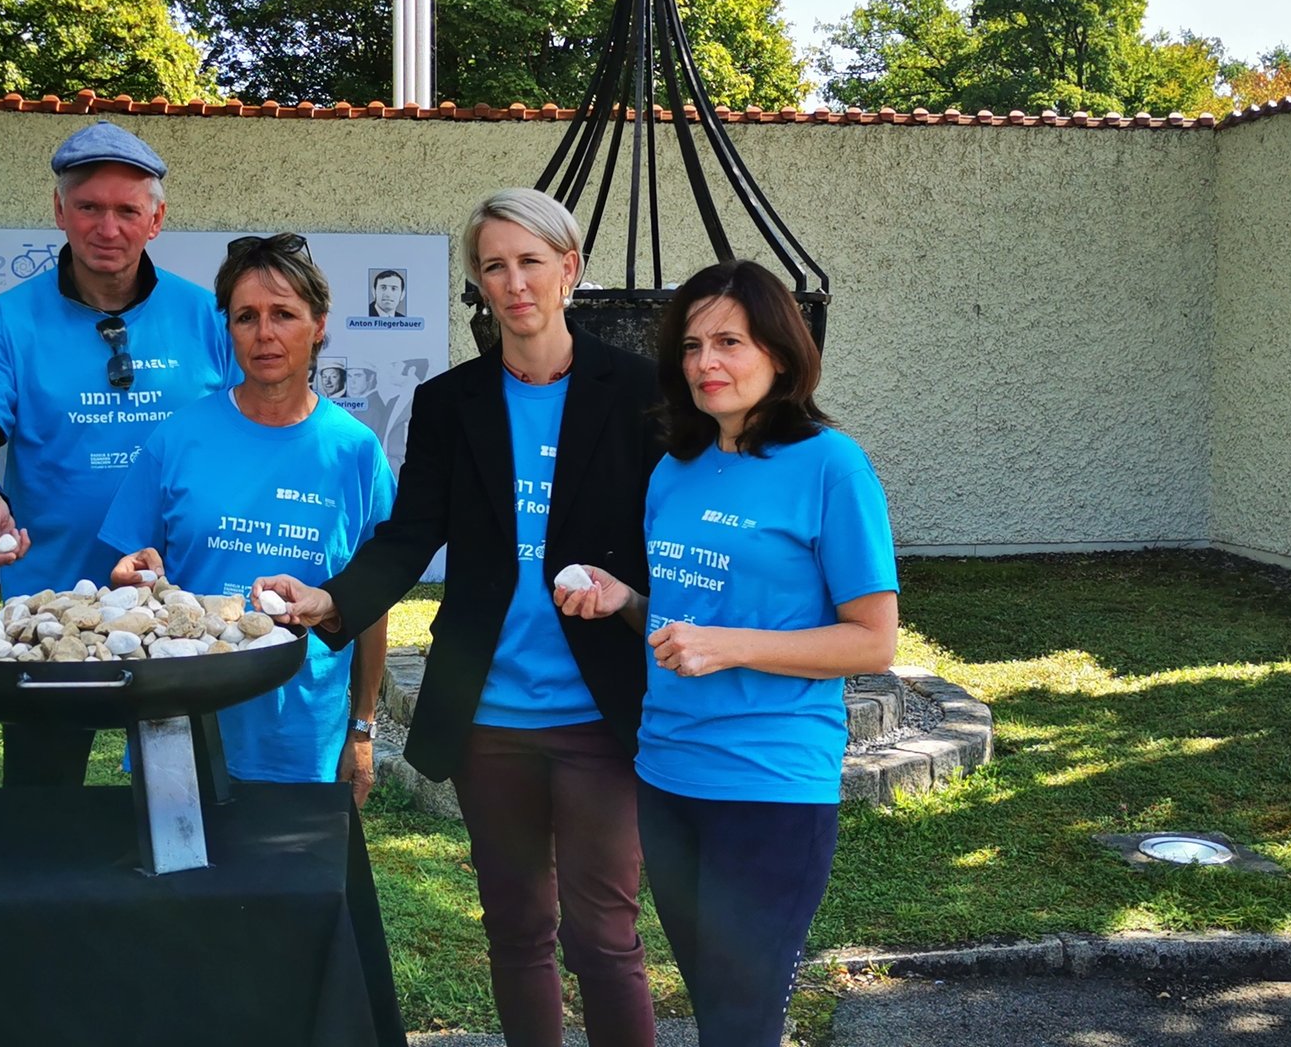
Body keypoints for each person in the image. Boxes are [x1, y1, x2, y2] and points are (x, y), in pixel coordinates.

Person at [259, 189, 664, 1047]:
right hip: (489, 718)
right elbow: (409, 536)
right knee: (517, 934)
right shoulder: (450, 403)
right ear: (478, 282)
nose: (514, 282)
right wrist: (332, 598)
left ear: (570, 269)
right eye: (493, 266)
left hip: (602, 712)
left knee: (605, 936)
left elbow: (673, 537)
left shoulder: (637, 394)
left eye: (530, 261)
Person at [552, 259, 900, 1047]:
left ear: (780, 351)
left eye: (730, 342)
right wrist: (627, 601)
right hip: (668, 773)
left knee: (742, 1019)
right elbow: (686, 623)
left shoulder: (829, 465)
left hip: (771, 784)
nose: (707, 362)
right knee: (717, 1009)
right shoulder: (676, 468)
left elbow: (873, 639)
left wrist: (728, 646)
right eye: (692, 345)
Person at [0, 121, 234, 787]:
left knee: (180, 798)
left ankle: (173, 894)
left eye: (128, 210)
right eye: (89, 207)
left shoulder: (206, 316)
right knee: (42, 802)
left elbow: (248, 429)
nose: (108, 227)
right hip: (51, 598)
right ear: (58, 210)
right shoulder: (10, 318)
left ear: (156, 219)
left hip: (178, 597)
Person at [98, 234, 394, 803]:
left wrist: (362, 729)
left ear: (319, 324)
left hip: (304, 737)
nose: (264, 334)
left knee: (298, 891)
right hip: (182, 725)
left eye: (284, 314)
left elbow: (373, 600)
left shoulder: (356, 451)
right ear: (227, 328)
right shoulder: (178, 439)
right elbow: (130, 570)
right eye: (246, 316)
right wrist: (133, 577)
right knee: (173, 888)